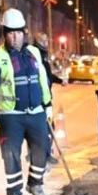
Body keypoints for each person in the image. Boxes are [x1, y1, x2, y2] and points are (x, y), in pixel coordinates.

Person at [0, 9, 54, 195]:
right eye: (11, 32)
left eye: (19, 32)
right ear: (5, 33)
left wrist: (48, 105)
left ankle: (35, 185)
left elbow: (43, 81)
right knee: (11, 154)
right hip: (10, 115)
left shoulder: (34, 53)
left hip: (36, 112)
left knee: (43, 149)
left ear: (24, 32)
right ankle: (14, 193)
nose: (16, 36)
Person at [34, 32, 65, 166]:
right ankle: (43, 156)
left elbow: (48, 76)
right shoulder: (37, 56)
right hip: (41, 98)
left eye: (47, 40)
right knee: (47, 128)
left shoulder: (42, 56)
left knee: (45, 128)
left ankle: (41, 154)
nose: (46, 43)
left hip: (43, 97)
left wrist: (59, 80)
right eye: (44, 41)